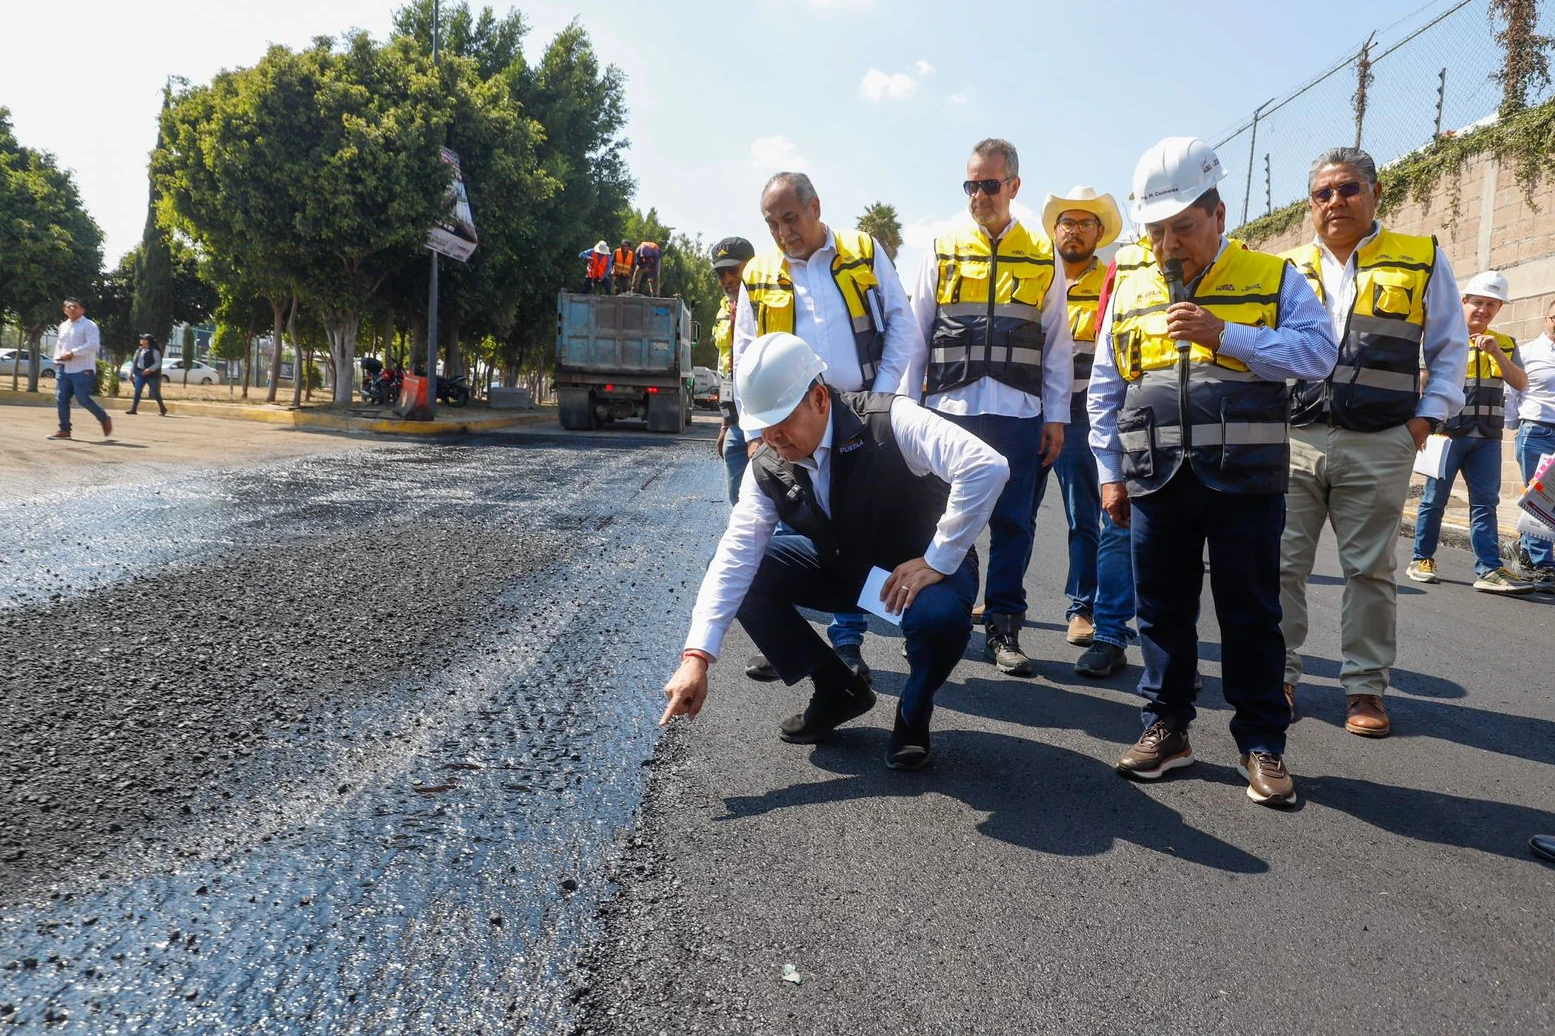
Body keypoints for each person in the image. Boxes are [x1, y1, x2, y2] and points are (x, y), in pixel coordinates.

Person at [1088, 137, 1338, 808]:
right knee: (1159, 610)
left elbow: (1318, 353)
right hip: (1155, 478)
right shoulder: (1131, 287)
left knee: (1250, 612)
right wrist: (1109, 472)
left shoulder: (1272, 277)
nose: (1168, 245)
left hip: (1244, 482)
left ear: (1218, 215)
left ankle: (1262, 742)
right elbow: (1105, 388)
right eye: (1156, 231)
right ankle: (1166, 728)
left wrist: (1223, 334)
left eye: (1183, 227)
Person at [658, 331, 1009, 769]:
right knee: (749, 574)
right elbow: (736, 557)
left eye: (781, 419)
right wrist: (696, 657)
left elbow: (986, 466)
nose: (773, 436)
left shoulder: (889, 420)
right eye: (762, 424)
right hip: (846, 571)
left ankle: (914, 710)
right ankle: (837, 689)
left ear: (819, 398)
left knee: (939, 619)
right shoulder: (766, 465)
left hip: (918, 577)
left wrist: (938, 558)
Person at [1277, 147, 1470, 739]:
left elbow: (1449, 347)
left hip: (1382, 440)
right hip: (1294, 438)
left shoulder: (1420, 257)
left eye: (1348, 189)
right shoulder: (1284, 268)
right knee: (1279, 564)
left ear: (1375, 193)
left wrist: (1426, 420)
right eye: (1322, 193)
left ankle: (1365, 687)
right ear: (1311, 204)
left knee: (1370, 571)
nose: (1335, 201)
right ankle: (1276, 676)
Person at [733, 170, 923, 685]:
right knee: (787, 533)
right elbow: (744, 356)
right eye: (772, 224)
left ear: (815, 207)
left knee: (853, 535)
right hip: (789, 424)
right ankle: (789, 641)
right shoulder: (759, 273)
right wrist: (753, 432)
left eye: (790, 218)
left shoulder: (863, 251)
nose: (783, 233)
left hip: (855, 422)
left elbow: (902, 324)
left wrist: (881, 397)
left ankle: (847, 645)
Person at [902, 139, 1071, 677]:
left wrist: (1056, 415)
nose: (979, 195)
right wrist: (905, 408)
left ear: (1013, 186)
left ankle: (1004, 628)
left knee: (1013, 524)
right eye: (971, 185)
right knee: (942, 518)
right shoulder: (942, 245)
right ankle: (938, 620)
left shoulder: (1042, 252)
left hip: (1018, 414)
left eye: (989, 185)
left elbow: (1057, 342)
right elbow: (916, 332)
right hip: (948, 411)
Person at [1037, 185, 1137, 678]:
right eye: (1067, 223)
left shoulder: (1114, 281)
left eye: (1085, 224)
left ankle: (1083, 608)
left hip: (1083, 413)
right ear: (1055, 230)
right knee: (1012, 511)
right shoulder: (1038, 274)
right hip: (1031, 408)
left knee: (1084, 516)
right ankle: (1000, 599)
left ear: (1099, 234)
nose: (1074, 231)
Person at [1407, 271, 1533, 594]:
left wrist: (1497, 353)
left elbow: (1520, 383)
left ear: (1499, 309)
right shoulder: (1442, 338)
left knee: (1485, 504)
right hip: (1446, 434)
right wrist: (1420, 427)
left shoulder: (1505, 343)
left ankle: (1489, 569)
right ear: (1463, 301)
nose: (1483, 310)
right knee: (1434, 500)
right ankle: (1422, 558)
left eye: (1492, 304)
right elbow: (1422, 383)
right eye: (1478, 302)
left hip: (1487, 438)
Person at [1504, 296, 1555, 589]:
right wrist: (1515, 426)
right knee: (1541, 499)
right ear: (1546, 320)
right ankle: (1542, 564)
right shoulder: (1529, 352)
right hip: (1537, 432)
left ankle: (1524, 549)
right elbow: (1512, 392)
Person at [711, 235, 758, 504]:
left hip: (767, 428)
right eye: (721, 273)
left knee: (773, 507)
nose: (727, 279)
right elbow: (726, 371)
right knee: (738, 505)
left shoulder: (769, 304)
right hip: (737, 428)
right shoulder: (723, 310)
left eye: (733, 270)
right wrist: (725, 425)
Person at [46, 296, 112, 441]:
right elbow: (60, 345)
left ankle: (103, 417)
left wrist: (73, 353)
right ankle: (64, 430)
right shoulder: (63, 326)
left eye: (75, 306)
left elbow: (93, 345)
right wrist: (57, 359)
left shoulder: (89, 325)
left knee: (82, 399)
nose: (72, 308)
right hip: (64, 369)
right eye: (69, 306)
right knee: (61, 399)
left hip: (83, 369)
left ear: (82, 310)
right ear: (64, 310)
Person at [128, 332, 168, 416]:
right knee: (137, 391)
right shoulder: (139, 350)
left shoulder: (154, 351)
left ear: (147, 341)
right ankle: (133, 409)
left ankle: (162, 408)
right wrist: (131, 373)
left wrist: (150, 369)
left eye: (143, 339)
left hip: (151, 375)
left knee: (155, 392)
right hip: (140, 373)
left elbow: (158, 363)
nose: (141, 340)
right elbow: (134, 362)